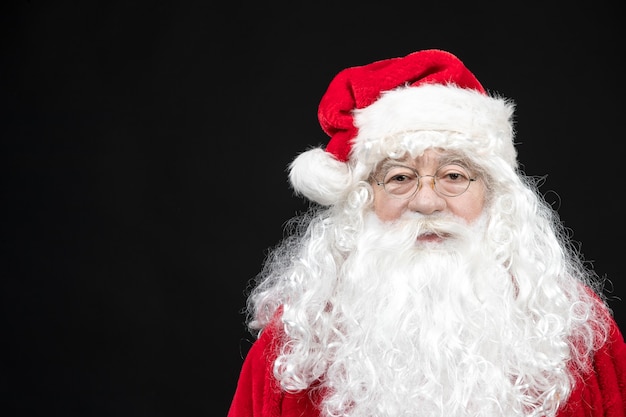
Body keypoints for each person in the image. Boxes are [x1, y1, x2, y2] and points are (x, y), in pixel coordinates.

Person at [226, 49, 626, 416]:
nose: (427, 202)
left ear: (493, 194)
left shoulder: (571, 327)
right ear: (364, 200)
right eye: (400, 178)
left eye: (454, 175)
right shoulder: (299, 339)